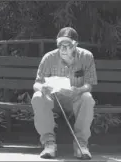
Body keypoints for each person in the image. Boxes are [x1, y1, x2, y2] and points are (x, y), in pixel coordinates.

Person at [31, 27, 97, 159]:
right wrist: (43, 88)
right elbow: (36, 84)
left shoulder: (86, 56)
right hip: (53, 101)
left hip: (74, 100)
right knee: (37, 96)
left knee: (87, 97)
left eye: (67, 45)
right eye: (60, 45)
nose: (63, 49)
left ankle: (81, 145)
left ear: (75, 45)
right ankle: (49, 144)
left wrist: (79, 90)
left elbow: (89, 84)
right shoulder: (49, 58)